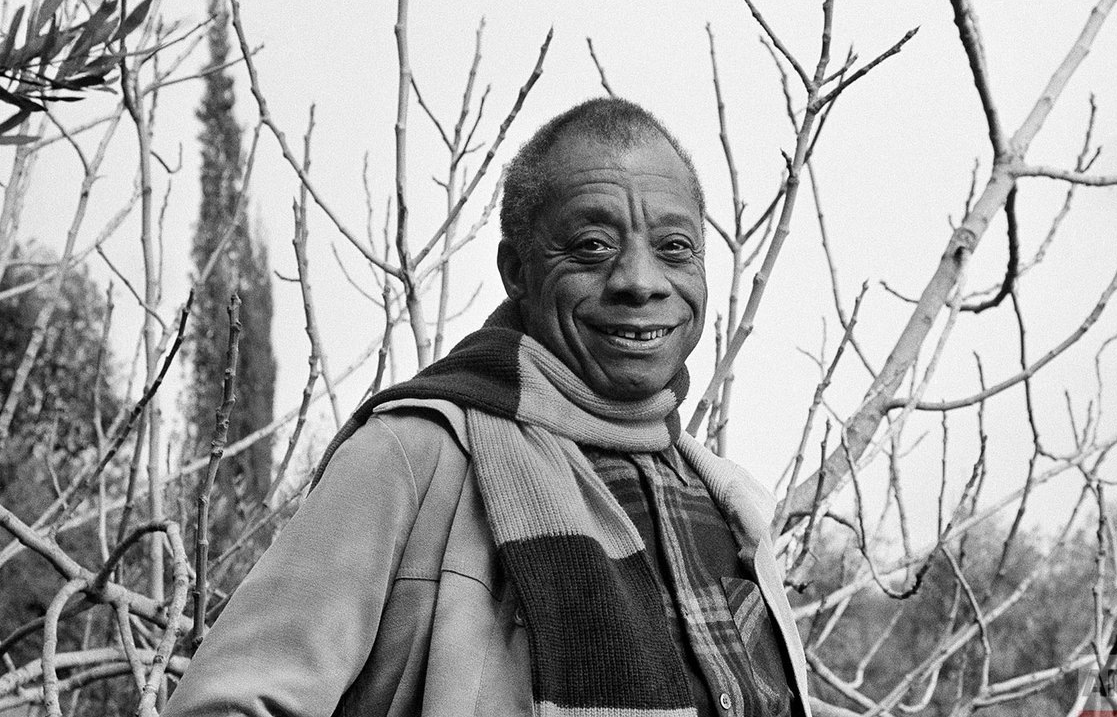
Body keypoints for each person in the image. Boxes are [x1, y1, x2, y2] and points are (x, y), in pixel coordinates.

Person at [165, 98, 846, 717]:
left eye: (674, 248)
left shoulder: (724, 498)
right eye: (592, 247)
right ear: (517, 270)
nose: (640, 281)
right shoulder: (414, 455)